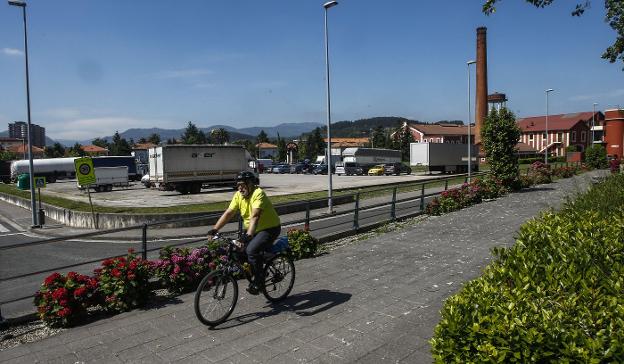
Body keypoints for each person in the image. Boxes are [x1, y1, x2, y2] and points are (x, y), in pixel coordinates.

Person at [208, 171, 281, 295]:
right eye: (238, 185)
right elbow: (229, 213)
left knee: (251, 250)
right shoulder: (238, 195)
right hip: (252, 230)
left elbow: (255, 216)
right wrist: (215, 229)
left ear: (251, 184)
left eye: (243, 185)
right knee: (237, 251)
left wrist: (248, 235)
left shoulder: (258, 194)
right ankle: (263, 265)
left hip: (270, 228)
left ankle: (258, 281)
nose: (240, 188)